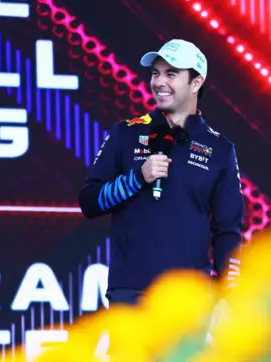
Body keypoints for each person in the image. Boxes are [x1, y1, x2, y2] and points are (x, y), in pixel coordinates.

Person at [78, 39, 244, 305]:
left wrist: (232, 295)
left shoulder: (220, 149)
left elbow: (228, 230)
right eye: (155, 73)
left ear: (196, 82)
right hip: (130, 294)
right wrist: (136, 179)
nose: (159, 82)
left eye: (171, 74)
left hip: (190, 299)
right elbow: (89, 201)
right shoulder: (126, 132)